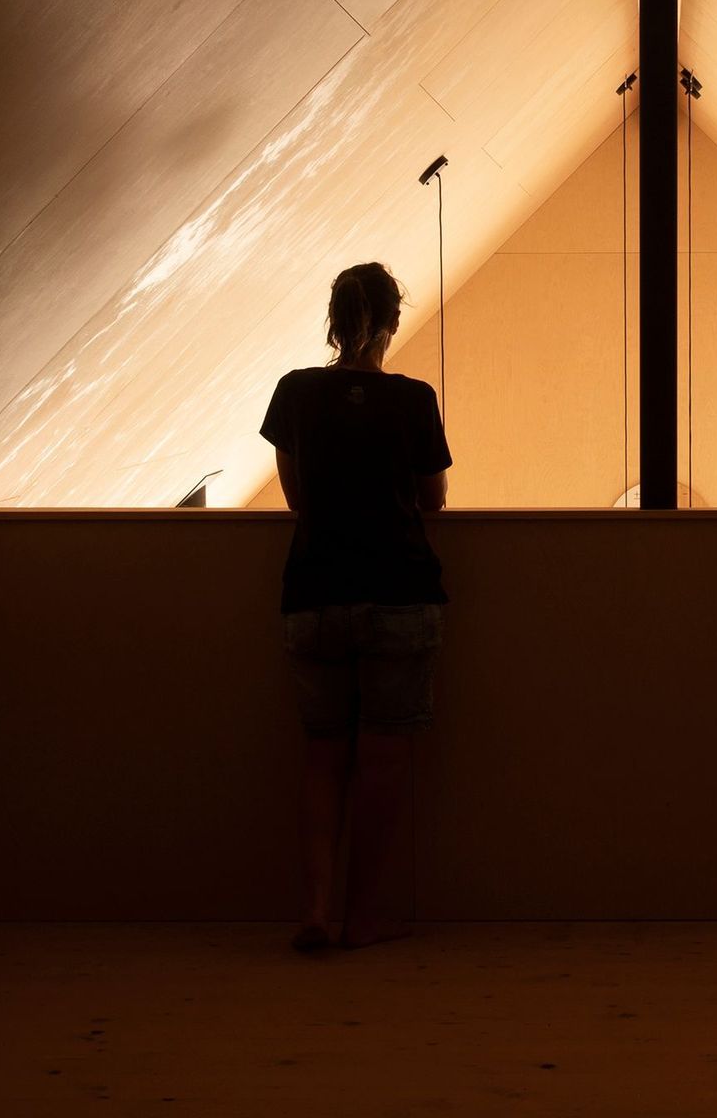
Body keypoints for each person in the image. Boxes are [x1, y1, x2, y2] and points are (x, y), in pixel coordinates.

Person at [261, 261, 451, 951]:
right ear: (391, 323)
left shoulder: (295, 394)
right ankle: (362, 916)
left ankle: (313, 910)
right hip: (397, 592)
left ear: (335, 321)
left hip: (313, 590)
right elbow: (432, 501)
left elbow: (297, 496)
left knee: (321, 754)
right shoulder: (414, 399)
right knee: (382, 758)